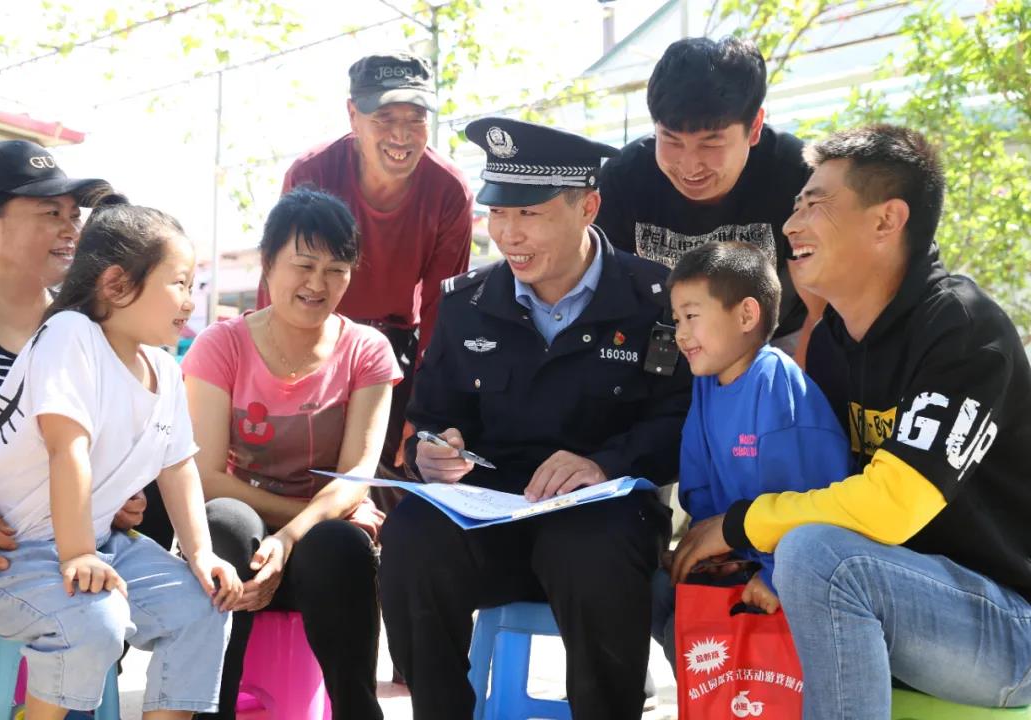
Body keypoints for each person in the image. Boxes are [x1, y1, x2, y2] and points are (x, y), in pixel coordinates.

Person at [670, 125, 1031, 718]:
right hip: (888, 603)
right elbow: (823, 487)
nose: (791, 225)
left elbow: (892, 506)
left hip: (1009, 627)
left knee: (818, 556)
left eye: (815, 204)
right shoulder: (836, 343)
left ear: (887, 220)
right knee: (690, 574)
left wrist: (738, 525)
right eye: (796, 205)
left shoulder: (962, 330)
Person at [379, 117, 692, 720]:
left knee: (590, 549)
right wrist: (432, 452)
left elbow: (681, 417)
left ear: (588, 207)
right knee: (413, 534)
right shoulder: (466, 303)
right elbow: (431, 416)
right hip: (491, 520)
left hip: (603, 520)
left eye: (530, 213)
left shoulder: (656, 299)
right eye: (499, 213)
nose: (509, 234)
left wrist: (604, 464)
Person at [0, 203, 241, 719]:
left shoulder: (164, 369)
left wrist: (200, 554)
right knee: (93, 621)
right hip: (0, 556)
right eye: (178, 283)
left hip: (100, 547)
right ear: (116, 284)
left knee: (203, 606)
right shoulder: (70, 334)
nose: (189, 300)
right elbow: (67, 449)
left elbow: (178, 466)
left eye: (193, 285)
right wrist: (79, 554)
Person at [183, 187, 401, 720]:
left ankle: (357, 710)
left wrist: (292, 536)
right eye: (303, 265)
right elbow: (206, 475)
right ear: (268, 263)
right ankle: (209, 710)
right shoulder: (221, 345)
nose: (317, 284)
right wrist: (277, 536)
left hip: (328, 540)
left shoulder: (367, 350)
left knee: (337, 545)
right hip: (247, 541)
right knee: (224, 521)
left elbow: (355, 477)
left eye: (336, 270)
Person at [261, 51, 473, 482]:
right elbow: (281, 279)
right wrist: (269, 365)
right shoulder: (312, 172)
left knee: (394, 472)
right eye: (384, 118)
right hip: (312, 331)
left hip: (394, 343)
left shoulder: (448, 188)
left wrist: (426, 406)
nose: (401, 135)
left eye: (416, 119)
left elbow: (443, 307)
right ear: (353, 116)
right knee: (291, 466)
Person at [649, 240, 852, 664]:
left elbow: (810, 507)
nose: (680, 333)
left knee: (690, 635)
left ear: (745, 315)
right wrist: (706, 554)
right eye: (676, 319)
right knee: (651, 591)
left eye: (691, 316)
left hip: (797, 572)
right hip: (740, 557)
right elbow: (700, 486)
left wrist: (776, 577)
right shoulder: (706, 382)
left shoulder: (775, 385)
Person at [0, 140, 147, 576]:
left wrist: (111, 494)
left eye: (74, 215)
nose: (72, 230)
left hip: (71, 560)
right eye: (51, 213)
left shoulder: (90, 326)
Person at [595, 36, 823, 361]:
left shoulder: (798, 175)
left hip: (777, 342)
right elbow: (605, 287)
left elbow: (822, 299)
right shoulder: (624, 177)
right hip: (666, 339)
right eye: (671, 140)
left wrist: (796, 380)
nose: (690, 166)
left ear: (754, 127)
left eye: (710, 144)